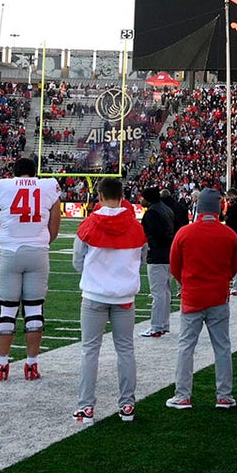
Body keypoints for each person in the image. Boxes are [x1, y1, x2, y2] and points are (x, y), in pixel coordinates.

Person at [71, 178, 145, 423]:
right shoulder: (135, 226)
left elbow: (77, 261)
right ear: (122, 196)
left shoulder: (89, 224)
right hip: (124, 296)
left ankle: (86, 407)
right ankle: (127, 405)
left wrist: (96, 275)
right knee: (125, 350)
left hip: (94, 295)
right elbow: (141, 258)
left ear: (100, 196)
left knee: (90, 351)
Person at [0, 157, 61, 381]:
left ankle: (2, 366)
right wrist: (41, 242)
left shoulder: (1, 186)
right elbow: (54, 226)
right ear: (34, 172)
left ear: (15, 172)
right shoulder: (48, 186)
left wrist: (3, 244)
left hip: (10, 251)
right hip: (38, 252)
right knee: (35, 310)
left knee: (7, 310)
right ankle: (31, 365)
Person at [166, 188, 237, 411]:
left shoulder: (184, 233)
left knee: (186, 347)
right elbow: (233, 267)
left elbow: (174, 266)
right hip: (218, 296)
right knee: (222, 347)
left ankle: (182, 395)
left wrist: (186, 282)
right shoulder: (228, 234)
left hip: (192, 297)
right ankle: (224, 396)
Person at [139, 187, 175, 338]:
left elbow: (155, 235)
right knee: (165, 292)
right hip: (168, 255)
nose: (140, 200)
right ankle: (164, 324)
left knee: (158, 293)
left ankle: (157, 326)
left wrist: (150, 249)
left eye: (142, 197)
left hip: (158, 256)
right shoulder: (166, 209)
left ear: (148, 198)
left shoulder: (152, 213)